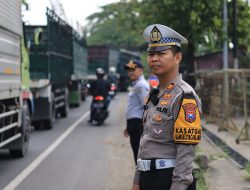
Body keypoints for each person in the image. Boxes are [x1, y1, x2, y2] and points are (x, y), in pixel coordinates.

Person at [131, 24, 202, 190]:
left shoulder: (184, 96)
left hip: (169, 181)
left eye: (161, 53)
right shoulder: (154, 95)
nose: (154, 58)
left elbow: (185, 155)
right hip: (148, 179)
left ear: (177, 57)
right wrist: (137, 181)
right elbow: (146, 142)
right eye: (151, 54)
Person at [123, 60, 150, 164]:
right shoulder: (137, 84)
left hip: (137, 123)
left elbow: (146, 107)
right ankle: (141, 176)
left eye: (133, 69)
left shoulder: (141, 86)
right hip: (134, 123)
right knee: (137, 151)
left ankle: (142, 177)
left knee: (139, 153)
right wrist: (128, 126)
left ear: (141, 70)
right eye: (129, 70)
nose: (130, 72)